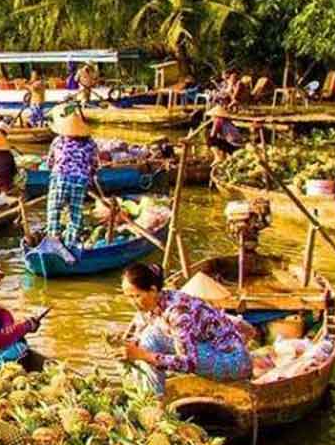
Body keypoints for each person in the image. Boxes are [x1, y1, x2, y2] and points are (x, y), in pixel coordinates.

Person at [122, 263, 253, 388]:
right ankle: (150, 396)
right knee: (146, 339)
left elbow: (189, 362)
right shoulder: (150, 306)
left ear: (153, 290)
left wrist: (144, 355)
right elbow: (138, 336)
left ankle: (154, 402)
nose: (132, 302)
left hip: (234, 363)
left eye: (136, 296)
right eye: (128, 297)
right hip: (206, 349)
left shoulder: (178, 313)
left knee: (149, 341)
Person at [45, 109, 97, 247]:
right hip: (80, 180)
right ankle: (70, 242)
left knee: (54, 210)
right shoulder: (90, 144)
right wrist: (90, 179)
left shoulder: (58, 141)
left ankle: (53, 240)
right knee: (75, 213)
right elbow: (93, 165)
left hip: (60, 178)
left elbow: (49, 162)